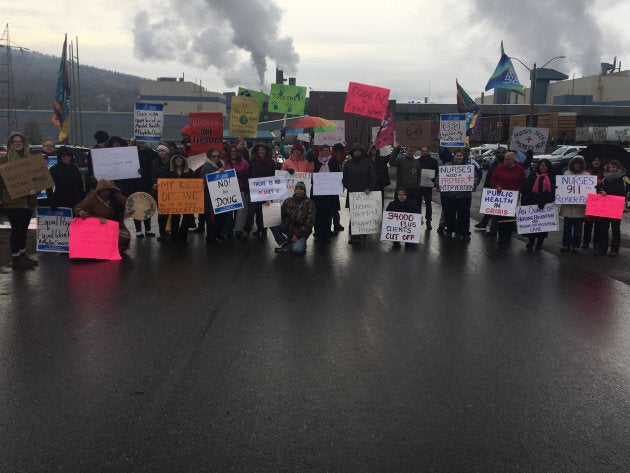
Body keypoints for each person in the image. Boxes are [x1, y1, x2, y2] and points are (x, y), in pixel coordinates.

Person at [0, 132, 39, 269]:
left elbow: (39, 178)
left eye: (20, 141)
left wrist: (36, 190)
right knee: (16, 230)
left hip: (28, 201)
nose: (17, 143)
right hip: (13, 201)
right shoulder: (4, 161)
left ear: (24, 143)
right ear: (10, 144)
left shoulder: (31, 159)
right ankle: (15, 258)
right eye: (14, 141)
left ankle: (23, 255)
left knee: (23, 229)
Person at [74, 179, 131, 253]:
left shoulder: (116, 196)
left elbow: (128, 203)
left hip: (115, 225)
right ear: (98, 191)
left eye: (107, 190)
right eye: (103, 190)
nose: (105, 192)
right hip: (98, 227)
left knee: (125, 237)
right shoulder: (91, 198)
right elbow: (78, 207)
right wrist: (80, 211)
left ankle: (113, 250)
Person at [438, 149, 481, 240]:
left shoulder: (469, 167)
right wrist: (438, 186)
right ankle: (449, 230)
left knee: (464, 215)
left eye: (460, 155)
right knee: (449, 215)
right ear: (454, 156)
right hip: (449, 196)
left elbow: (475, 178)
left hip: (464, 197)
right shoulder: (447, 166)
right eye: (457, 155)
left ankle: (464, 232)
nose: (459, 157)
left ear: (463, 156)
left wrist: (473, 186)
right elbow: (439, 177)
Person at [342, 143, 378, 244]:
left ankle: (364, 234)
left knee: (365, 215)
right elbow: (344, 179)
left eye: (359, 151)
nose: (357, 152)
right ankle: (355, 237)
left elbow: (373, 177)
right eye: (355, 151)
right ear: (352, 152)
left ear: (361, 152)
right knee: (354, 215)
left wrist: (369, 188)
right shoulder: (348, 163)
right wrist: (349, 187)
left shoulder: (367, 162)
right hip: (353, 194)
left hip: (366, 193)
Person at [594, 159, 630, 257]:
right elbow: (597, 190)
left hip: (616, 208)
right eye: (610, 167)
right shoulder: (604, 181)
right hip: (605, 208)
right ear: (608, 168)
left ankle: (614, 250)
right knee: (603, 228)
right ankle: (602, 248)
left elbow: (625, 194)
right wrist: (599, 189)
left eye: (614, 167)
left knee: (615, 230)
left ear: (618, 168)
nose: (612, 169)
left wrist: (627, 207)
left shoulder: (623, 180)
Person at [490, 151, 526, 244]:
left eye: (507, 159)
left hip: (512, 197)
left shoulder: (520, 169)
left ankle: (508, 235)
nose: (504, 160)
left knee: (510, 217)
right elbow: (493, 179)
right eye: (504, 159)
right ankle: (501, 235)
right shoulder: (499, 167)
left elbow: (522, 182)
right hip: (500, 196)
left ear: (513, 160)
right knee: (501, 216)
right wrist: (496, 186)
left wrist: (516, 190)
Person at [243, 142, 277, 241]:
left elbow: (273, 177)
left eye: (263, 149)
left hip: (265, 191)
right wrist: (246, 188)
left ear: (266, 151)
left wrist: (271, 194)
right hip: (253, 191)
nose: (261, 151)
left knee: (262, 213)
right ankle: (247, 230)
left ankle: (262, 230)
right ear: (256, 151)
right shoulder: (252, 162)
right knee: (250, 212)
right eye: (259, 150)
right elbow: (248, 175)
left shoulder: (271, 162)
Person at [271, 181, 315, 254]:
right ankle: (284, 243)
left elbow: (309, 223)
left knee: (297, 250)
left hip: (302, 232)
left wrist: (298, 235)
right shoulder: (288, 201)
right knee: (271, 221)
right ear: (294, 190)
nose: (299, 190)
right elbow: (279, 214)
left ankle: (301, 244)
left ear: (304, 191)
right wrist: (270, 204)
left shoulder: (310, 203)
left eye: (301, 189)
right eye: (297, 188)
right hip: (289, 228)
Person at [521, 158, 555, 250]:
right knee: (532, 224)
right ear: (538, 166)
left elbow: (552, 192)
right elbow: (526, 188)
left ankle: (540, 242)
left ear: (548, 167)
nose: (543, 167)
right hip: (532, 202)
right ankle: (531, 241)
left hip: (544, 203)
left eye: (545, 165)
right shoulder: (532, 175)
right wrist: (528, 199)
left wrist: (546, 201)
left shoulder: (551, 177)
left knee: (542, 225)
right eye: (541, 165)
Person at [311, 144, 341, 242]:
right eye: (323, 150)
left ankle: (327, 233)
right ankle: (318, 233)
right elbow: (311, 175)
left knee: (328, 214)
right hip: (317, 193)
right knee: (318, 214)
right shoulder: (315, 161)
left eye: (327, 150)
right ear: (319, 151)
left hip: (330, 193)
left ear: (329, 151)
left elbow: (338, 175)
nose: (325, 152)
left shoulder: (333, 161)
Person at [558, 155, 588, 253]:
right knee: (567, 228)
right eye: (575, 163)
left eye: (579, 163)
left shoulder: (587, 176)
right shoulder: (566, 174)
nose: (577, 165)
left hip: (580, 208)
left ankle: (576, 246)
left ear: (582, 165)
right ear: (572, 164)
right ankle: (566, 245)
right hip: (567, 207)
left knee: (578, 230)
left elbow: (589, 192)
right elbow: (561, 189)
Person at [475, 146, 507, 234]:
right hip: (493, 189)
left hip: (504, 192)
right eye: (499, 153)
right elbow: (489, 176)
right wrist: (486, 189)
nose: (501, 154)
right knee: (491, 209)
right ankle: (484, 224)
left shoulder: (507, 163)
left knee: (497, 212)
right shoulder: (494, 162)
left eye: (503, 153)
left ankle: (493, 229)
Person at [165, 154, 195, 244]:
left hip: (187, 199)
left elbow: (194, 184)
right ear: (173, 160)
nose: (178, 160)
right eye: (176, 158)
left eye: (180, 158)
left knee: (187, 217)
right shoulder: (168, 171)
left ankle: (183, 236)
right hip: (173, 198)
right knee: (175, 217)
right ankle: (174, 237)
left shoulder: (189, 171)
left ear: (183, 159)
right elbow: (163, 182)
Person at [200, 148, 227, 244]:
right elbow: (203, 181)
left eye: (218, 156)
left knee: (219, 219)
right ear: (209, 157)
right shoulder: (206, 167)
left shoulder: (221, 165)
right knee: (211, 219)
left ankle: (217, 236)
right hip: (209, 198)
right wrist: (217, 173)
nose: (216, 158)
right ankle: (211, 238)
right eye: (213, 156)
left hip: (219, 197)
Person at [131, 140, 157, 238]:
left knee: (147, 206)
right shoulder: (130, 152)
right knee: (136, 206)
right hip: (135, 184)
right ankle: (138, 230)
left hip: (147, 183)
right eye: (138, 141)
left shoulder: (151, 152)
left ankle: (148, 229)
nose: (140, 143)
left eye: (142, 141)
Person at [48, 146, 86, 212]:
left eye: (68, 155)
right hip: (60, 201)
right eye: (63, 156)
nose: (66, 157)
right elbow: (49, 187)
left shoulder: (74, 168)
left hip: (75, 201)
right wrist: (52, 202)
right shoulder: (54, 169)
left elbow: (79, 184)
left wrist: (82, 199)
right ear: (59, 157)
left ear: (71, 156)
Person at [224, 144, 250, 239]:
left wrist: (247, 189)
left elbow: (248, 176)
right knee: (229, 213)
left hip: (241, 190)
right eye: (231, 151)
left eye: (235, 151)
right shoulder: (224, 163)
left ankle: (238, 229)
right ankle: (229, 230)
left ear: (238, 152)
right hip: (228, 191)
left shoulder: (244, 163)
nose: (233, 153)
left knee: (240, 212)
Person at [582, 156, 605, 249]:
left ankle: (596, 242)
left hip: (600, 200)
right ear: (591, 162)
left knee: (598, 223)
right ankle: (586, 241)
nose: (596, 162)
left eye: (598, 160)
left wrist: (602, 182)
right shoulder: (586, 172)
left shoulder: (604, 172)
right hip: (589, 199)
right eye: (594, 160)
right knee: (588, 222)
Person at [151, 144, 172, 242]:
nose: (161, 153)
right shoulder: (155, 162)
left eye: (163, 151)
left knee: (173, 212)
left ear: (167, 152)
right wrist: (155, 184)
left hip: (172, 190)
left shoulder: (172, 162)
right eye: (159, 151)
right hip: (160, 191)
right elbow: (153, 175)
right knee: (162, 213)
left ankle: (173, 231)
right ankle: (162, 233)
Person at [417, 146, 439, 230]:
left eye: (426, 151)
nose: (424, 152)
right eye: (423, 151)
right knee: (418, 203)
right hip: (419, 186)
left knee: (428, 204)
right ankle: (418, 220)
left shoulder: (433, 161)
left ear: (428, 152)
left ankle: (428, 221)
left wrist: (433, 180)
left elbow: (436, 172)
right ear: (421, 152)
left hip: (428, 186)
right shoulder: (418, 161)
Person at [330, 143, 347, 233]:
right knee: (332, 207)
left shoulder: (336, 159)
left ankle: (336, 224)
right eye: (339, 151)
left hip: (334, 186)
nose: (340, 153)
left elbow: (343, 157)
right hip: (330, 186)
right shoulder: (333, 159)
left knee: (335, 207)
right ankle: (335, 224)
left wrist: (345, 147)